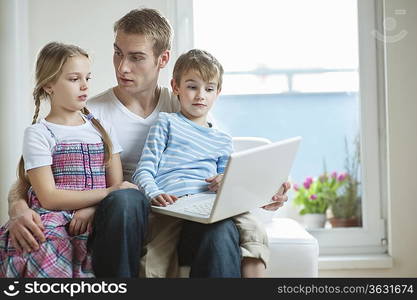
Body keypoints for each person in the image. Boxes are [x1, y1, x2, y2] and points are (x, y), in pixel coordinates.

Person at [7, 8, 290, 278]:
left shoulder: (183, 104)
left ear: (162, 59)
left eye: (136, 57)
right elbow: (30, 176)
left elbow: (224, 158)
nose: (122, 66)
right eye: (118, 53)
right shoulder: (89, 114)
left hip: (180, 213)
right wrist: (18, 207)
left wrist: (265, 188)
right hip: (121, 220)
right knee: (127, 199)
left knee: (221, 228)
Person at [0, 42, 136, 277]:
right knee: (41, 246)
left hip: (96, 218)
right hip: (54, 219)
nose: (84, 86)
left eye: (87, 77)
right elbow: (49, 197)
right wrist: (107, 194)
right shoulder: (39, 134)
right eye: (74, 79)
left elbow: (116, 191)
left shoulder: (103, 129)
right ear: (48, 85)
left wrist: (93, 208)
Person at [133, 49, 270, 277]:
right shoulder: (166, 123)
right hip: (172, 204)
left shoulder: (222, 139)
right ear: (176, 87)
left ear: (218, 92)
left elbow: (229, 179)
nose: (200, 95)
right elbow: (144, 170)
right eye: (192, 86)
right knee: (154, 259)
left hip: (210, 205)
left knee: (254, 229)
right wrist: (153, 192)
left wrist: (224, 181)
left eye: (208, 89)